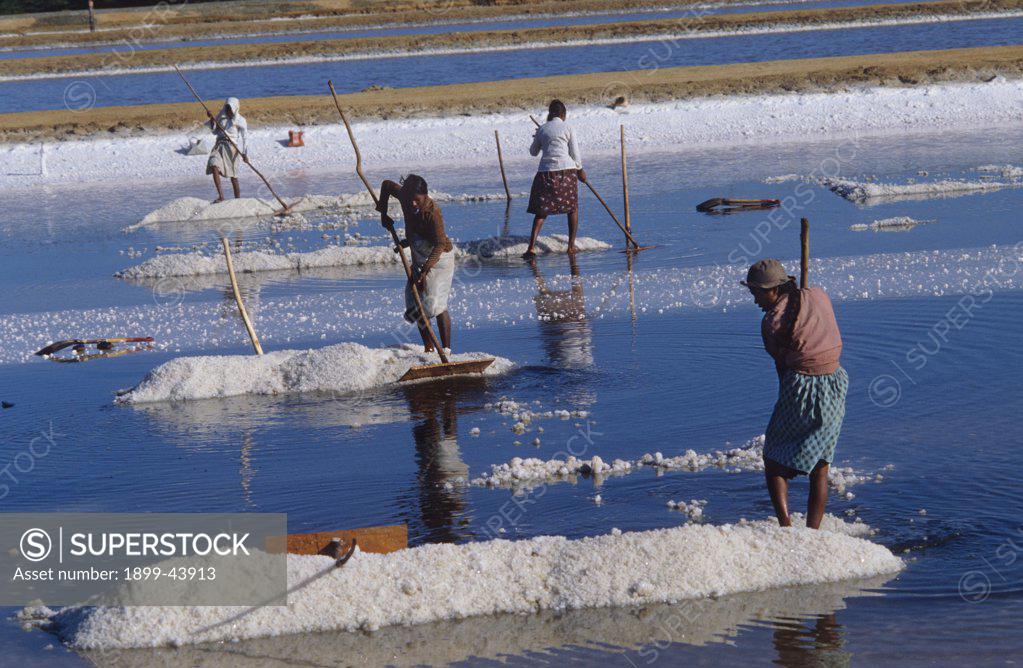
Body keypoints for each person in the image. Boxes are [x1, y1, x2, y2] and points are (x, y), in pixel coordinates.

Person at [743, 259, 848, 530]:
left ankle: (786, 527)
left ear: (774, 290)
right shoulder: (818, 295)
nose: (755, 300)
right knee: (820, 465)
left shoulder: (772, 323)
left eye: (758, 293)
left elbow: (783, 366)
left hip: (802, 387)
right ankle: (813, 530)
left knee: (773, 458)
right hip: (836, 383)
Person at [377, 174, 455, 353]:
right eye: (410, 199)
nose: (412, 204)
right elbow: (387, 185)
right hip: (419, 256)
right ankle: (429, 348)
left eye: (417, 200)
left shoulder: (433, 212)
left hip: (439, 259)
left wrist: (425, 271)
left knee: (435, 303)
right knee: (416, 303)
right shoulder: (406, 196)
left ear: (425, 195)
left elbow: (440, 244)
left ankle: (446, 350)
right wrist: (383, 214)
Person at [523, 99, 587, 258]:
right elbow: (575, 153)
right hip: (566, 172)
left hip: (546, 174)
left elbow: (533, 152)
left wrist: (537, 138)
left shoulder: (542, 129)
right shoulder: (568, 127)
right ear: (563, 115)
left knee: (541, 211)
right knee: (572, 209)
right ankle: (570, 247)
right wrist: (580, 170)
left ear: (550, 114)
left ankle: (531, 247)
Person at [205, 97, 248, 203]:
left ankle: (238, 200)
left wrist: (245, 153)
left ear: (235, 108)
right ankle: (221, 196)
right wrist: (212, 119)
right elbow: (215, 131)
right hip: (219, 146)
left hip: (232, 149)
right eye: (227, 108)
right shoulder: (221, 116)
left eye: (230, 109)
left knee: (233, 177)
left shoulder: (241, 120)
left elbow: (245, 138)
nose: (228, 111)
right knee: (214, 165)